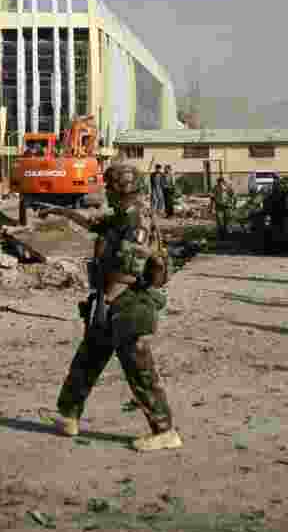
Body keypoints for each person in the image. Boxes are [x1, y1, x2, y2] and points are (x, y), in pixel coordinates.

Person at [38, 164, 182, 452]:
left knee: (139, 369)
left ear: (122, 191)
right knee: (87, 360)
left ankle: (165, 431)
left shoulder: (137, 221)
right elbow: (94, 225)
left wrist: (105, 301)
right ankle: (69, 415)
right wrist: (59, 210)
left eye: (111, 188)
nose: (107, 193)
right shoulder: (121, 216)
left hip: (128, 303)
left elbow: (130, 270)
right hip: (110, 301)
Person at [212, 176, 235, 240]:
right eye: (219, 182)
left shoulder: (228, 188)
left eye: (221, 182)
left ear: (223, 182)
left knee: (226, 222)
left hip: (226, 207)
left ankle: (226, 235)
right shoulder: (215, 188)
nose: (220, 184)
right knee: (220, 222)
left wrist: (232, 204)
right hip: (218, 206)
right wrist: (212, 208)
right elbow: (212, 198)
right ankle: (221, 236)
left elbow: (233, 196)